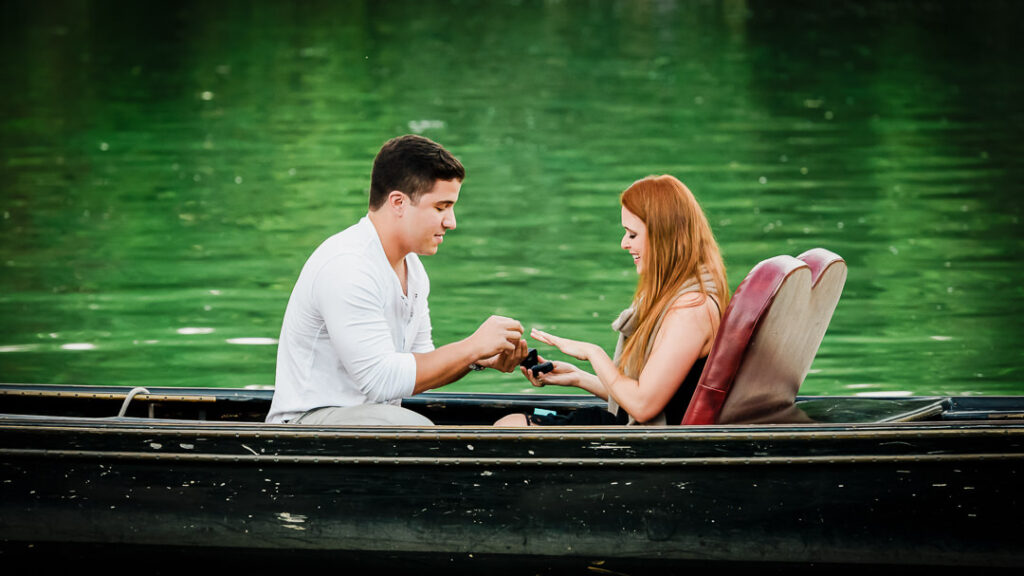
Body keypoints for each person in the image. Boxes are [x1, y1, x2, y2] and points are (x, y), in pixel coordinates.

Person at [267, 135, 528, 425]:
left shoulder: (413, 269)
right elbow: (381, 380)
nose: (452, 222)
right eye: (441, 207)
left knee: (417, 428)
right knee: (415, 429)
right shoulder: (349, 266)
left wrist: (479, 359)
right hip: (303, 427)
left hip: (370, 422)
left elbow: (420, 365)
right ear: (398, 202)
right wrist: (471, 347)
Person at [495, 175, 730, 426]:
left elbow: (643, 406)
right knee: (510, 422)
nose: (623, 244)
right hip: (637, 436)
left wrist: (592, 353)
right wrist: (578, 377)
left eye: (631, 234)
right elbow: (654, 397)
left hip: (645, 448)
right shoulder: (680, 298)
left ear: (663, 236)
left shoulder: (690, 310)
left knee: (511, 426)